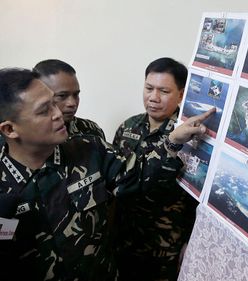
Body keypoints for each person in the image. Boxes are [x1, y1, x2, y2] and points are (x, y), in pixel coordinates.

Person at [0, 68, 212, 280]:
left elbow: (137, 176)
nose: (58, 113)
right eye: (44, 110)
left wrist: (172, 141)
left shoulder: (89, 148)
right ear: (10, 129)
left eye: (53, 102)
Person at [113, 58, 202, 281]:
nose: (153, 98)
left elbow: (197, 199)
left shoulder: (191, 136)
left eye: (164, 91)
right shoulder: (128, 126)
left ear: (181, 94)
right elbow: (115, 180)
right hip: (123, 239)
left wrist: (189, 243)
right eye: (149, 88)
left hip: (164, 246)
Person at [33, 59, 106, 139]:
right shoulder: (28, 134)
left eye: (76, 95)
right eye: (62, 96)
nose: (72, 103)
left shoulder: (90, 130)